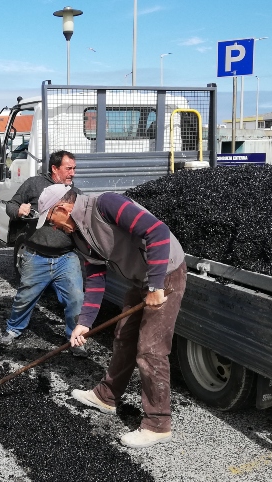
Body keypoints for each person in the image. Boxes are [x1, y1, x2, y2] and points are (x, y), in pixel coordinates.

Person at [36, 183, 187, 448]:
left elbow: (158, 232)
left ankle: (158, 424)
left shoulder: (106, 205)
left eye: (51, 220)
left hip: (166, 274)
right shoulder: (79, 235)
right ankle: (106, 396)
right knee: (124, 336)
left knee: (150, 349)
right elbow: (95, 279)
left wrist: (155, 286)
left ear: (62, 207)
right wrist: (84, 324)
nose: (54, 227)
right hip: (140, 279)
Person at [0, 151, 85, 356]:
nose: (72, 173)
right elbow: (10, 205)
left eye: (74, 168)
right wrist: (18, 211)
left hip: (66, 257)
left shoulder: (76, 192)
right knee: (25, 297)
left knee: (76, 298)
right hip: (35, 255)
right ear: (55, 168)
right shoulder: (34, 184)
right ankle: (14, 328)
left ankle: (74, 338)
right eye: (68, 168)